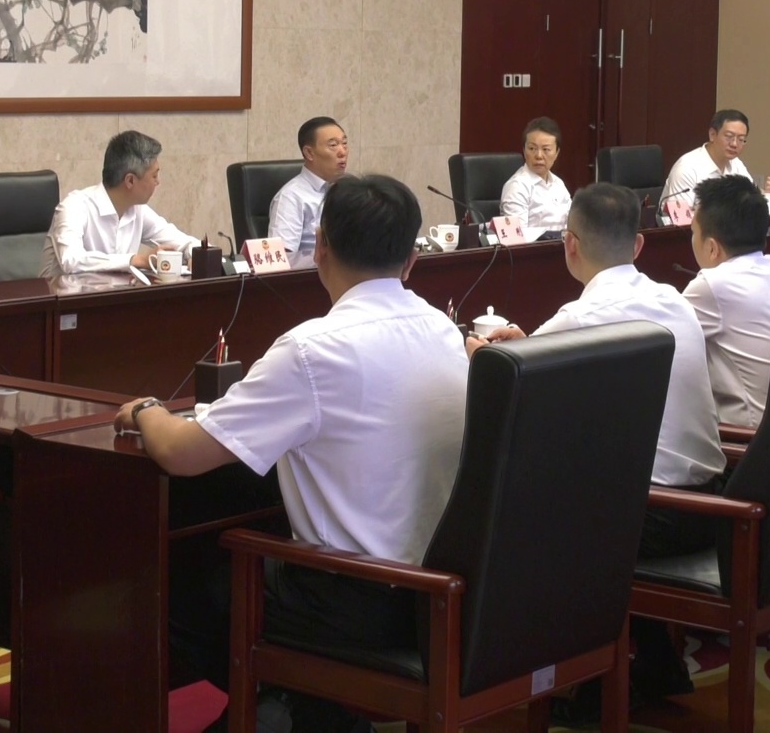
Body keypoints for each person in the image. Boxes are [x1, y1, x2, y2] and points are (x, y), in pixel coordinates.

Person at [120, 175, 468, 733]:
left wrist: (146, 410)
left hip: (354, 603)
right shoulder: (445, 330)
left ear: (321, 247)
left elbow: (181, 454)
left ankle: (292, 705)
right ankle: (306, 711)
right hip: (441, 598)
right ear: (411, 259)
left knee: (174, 591)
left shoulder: (312, 349)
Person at [467, 182, 722, 704]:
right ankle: (657, 665)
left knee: (521, 509)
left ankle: (571, 681)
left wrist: (479, 358)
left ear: (570, 244)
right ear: (639, 245)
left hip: (652, 516)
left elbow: (509, 385)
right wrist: (530, 345)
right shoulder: (674, 301)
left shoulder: (581, 318)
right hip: (711, 502)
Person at [677, 175, 770, 428]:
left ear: (712, 248)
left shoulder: (713, 285)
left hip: (751, 439)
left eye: (693, 232)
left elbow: (661, 339)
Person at [41, 130, 198, 279]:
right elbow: (71, 260)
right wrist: (136, 260)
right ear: (130, 181)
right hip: (62, 297)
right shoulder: (74, 206)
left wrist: (195, 256)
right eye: (154, 176)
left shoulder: (138, 210)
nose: (158, 182)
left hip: (115, 296)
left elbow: (187, 243)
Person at [660, 109, 770, 212]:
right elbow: (680, 220)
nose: (734, 144)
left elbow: (756, 211)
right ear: (712, 135)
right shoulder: (687, 168)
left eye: (741, 139)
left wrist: (769, 195)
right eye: (729, 136)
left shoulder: (736, 165)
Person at [267, 117, 350, 268]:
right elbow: (281, 260)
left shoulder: (348, 190)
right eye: (333, 145)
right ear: (309, 153)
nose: (342, 152)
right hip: (313, 278)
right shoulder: (291, 197)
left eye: (344, 143)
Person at [499, 117, 572, 236]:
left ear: (557, 153)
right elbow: (517, 237)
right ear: (524, 150)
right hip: (536, 248)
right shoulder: (517, 187)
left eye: (546, 149)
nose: (538, 156)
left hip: (562, 245)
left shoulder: (559, 184)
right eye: (532, 148)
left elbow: (572, 226)